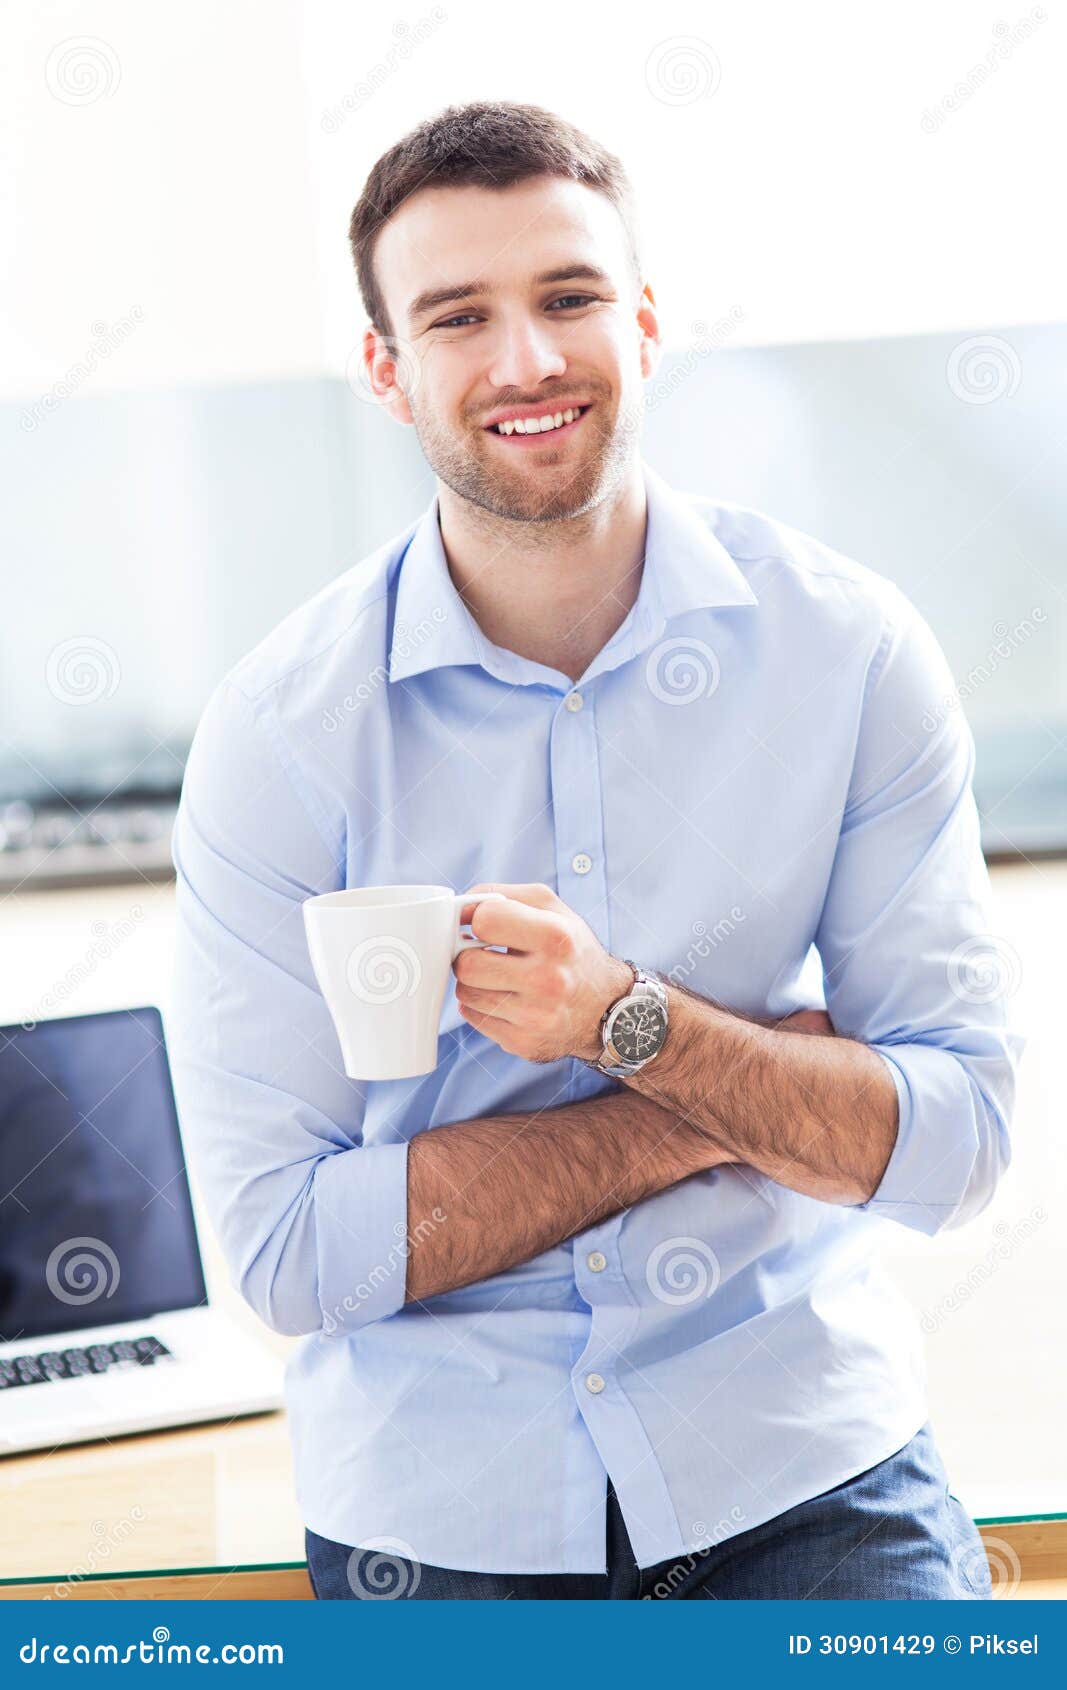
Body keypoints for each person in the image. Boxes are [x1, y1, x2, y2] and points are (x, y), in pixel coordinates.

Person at [168, 101, 1024, 1600]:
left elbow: (955, 1146)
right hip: (438, 1528)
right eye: (457, 317)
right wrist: (709, 1096)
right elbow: (295, 1257)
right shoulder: (283, 735)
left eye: (568, 298)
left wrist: (623, 1016)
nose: (525, 362)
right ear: (387, 368)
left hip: (806, 1471)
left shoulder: (848, 652)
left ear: (643, 320)